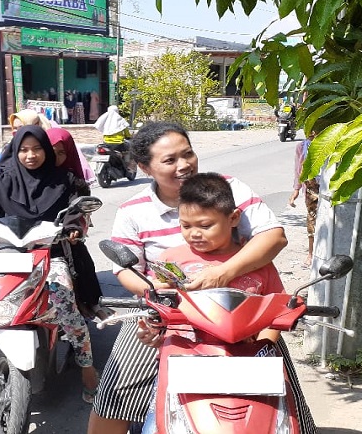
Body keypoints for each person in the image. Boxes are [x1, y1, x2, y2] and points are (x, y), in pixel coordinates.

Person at [88, 121, 315, 434]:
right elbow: (125, 270)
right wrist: (158, 295)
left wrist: (221, 274)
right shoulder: (133, 210)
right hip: (170, 314)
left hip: (241, 313)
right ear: (145, 167)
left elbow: (274, 238)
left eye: (188, 154)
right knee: (117, 389)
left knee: (284, 394)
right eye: (169, 160)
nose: (183, 165)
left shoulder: (228, 187)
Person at [0, 125, 100, 403]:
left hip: (48, 254)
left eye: (37, 149)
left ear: (46, 150)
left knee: (64, 301)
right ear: (15, 151)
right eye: (24, 150)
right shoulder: (4, 178)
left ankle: (87, 367)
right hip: (4, 251)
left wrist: (74, 226)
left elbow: (75, 209)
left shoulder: (64, 180)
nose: (30, 155)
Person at [137, 173, 285, 434]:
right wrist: (152, 331)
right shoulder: (172, 262)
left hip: (249, 364)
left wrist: (266, 346)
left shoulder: (256, 261)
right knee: (155, 427)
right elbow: (161, 312)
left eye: (205, 226)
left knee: (287, 420)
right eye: (185, 226)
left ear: (233, 218)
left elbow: (276, 312)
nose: (194, 234)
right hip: (185, 362)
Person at [46, 127, 111, 321]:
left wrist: (72, 227)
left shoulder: (74, 181)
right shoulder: (24, 177)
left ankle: (89, 305)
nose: (54, 158)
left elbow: (78, 210)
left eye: (61, 153)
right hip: (28, 239)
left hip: (61, 235)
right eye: (50, 152)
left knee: (77, 261)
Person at [0, 108, 50, 198]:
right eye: (14, 128)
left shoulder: (49, 147)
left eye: (21, 127)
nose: (31, 156)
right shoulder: (10, 149)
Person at [289, 129, 320, 267]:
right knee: (312, 219)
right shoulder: (302, 147)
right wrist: (296, 189)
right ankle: (311, 254)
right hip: (311, 189)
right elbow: (298, 170)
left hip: (329, 187)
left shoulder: (331, 143)